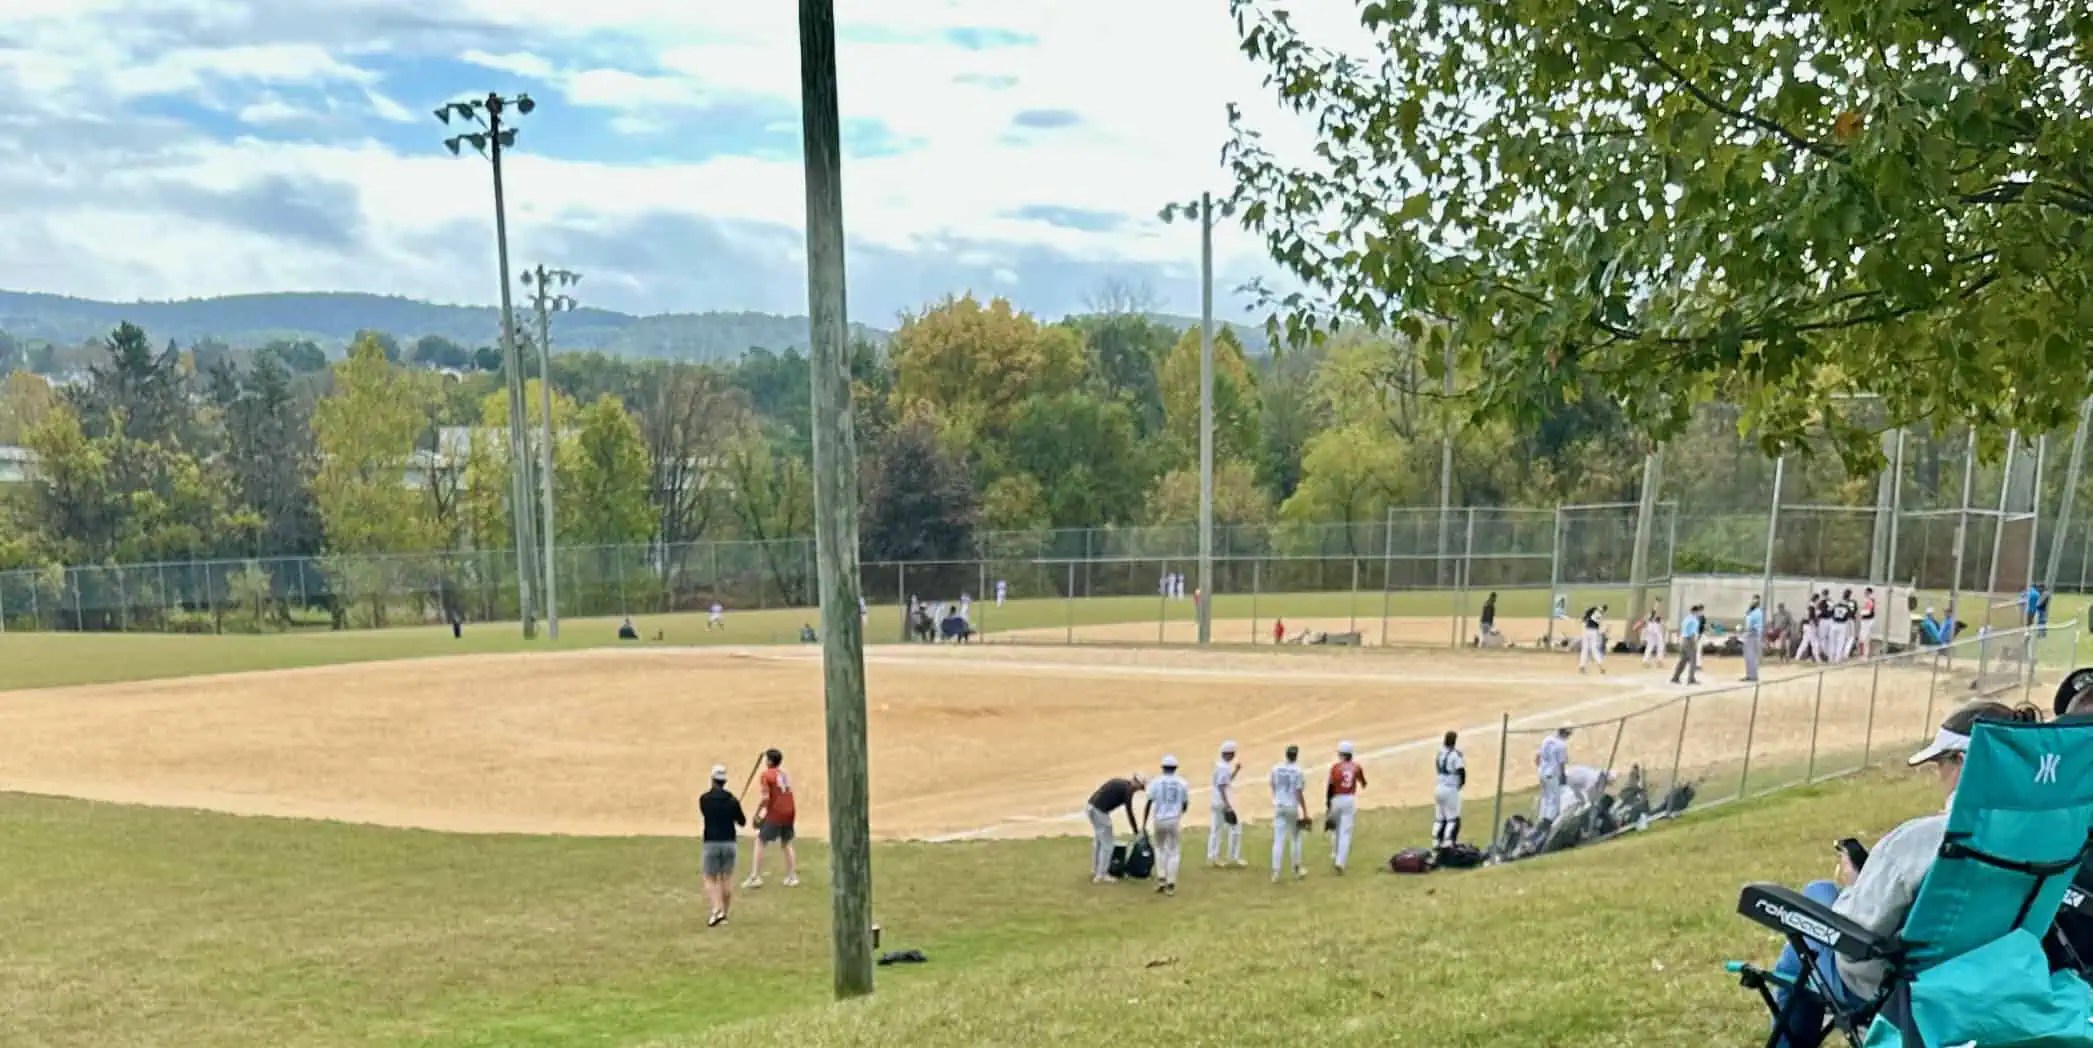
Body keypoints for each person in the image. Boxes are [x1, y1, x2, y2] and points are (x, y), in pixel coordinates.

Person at [1760, 701, 2039, 1047]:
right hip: (1989, 981)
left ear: (1962, 763)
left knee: (1812, 907)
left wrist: (1854, 886)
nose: (1938, 776)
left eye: (1940, 765)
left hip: (1899, 990)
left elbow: (1856, 931)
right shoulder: (2044, 839)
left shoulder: (1920, 840)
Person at [698, 765, 747, 927]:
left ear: (712, 780)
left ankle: (716, 909)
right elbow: (742, 821)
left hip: (711, 842)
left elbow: (707, 814)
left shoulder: (704, 799)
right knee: (726, 878)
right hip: (729, 842)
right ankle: (724, 914)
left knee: (710, 878)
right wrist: (734, 809)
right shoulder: (732, 801)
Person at [743, 748, 799, 889]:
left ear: (769, 761)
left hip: (777, 812)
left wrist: (758, 814)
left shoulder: (766, 775)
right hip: (790, 811)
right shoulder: (783, 775)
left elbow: (766, 798)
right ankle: (792, 876)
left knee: (760, 841)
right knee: (786, 842)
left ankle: (755, 876)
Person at [1085, 773, 1145, 884]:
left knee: (1099, 841)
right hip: (1100, 812)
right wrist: (1136, 830)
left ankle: (1095, 869)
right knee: (1107, 844)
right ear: (1135, 783)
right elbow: (1129, 811)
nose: (1137, 790)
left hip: (1090, 807)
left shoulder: (1120, 782)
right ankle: (1102, 875)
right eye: (1139, 787)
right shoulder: (1128, 790)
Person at [1144, 755, 1191, 895]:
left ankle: (1161, 879)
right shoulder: (1182, 783)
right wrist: (1179, 813)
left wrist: (1144, 821)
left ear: (1162, 768)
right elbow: (1185, 803)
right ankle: (1171, 883)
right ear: (1175, 768)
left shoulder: (1156, 782)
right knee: (1174, 851)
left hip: (1159, 820)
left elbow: (1149, 801)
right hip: (1174, 820)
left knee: (1159, 849)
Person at [1269, 744, 1309, 882]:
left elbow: (1272, 785)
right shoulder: (1298, 771)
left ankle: (1276, 872)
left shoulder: (1276, 768)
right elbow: (1298, 792)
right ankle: (1296, 869)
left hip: (1279, 806)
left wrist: (1276, 798)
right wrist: (1305, 811)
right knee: (1295, 839)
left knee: (1278, 840)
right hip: (1292, 806)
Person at [1326, 741, 1367, 874]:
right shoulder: (1356, 767)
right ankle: (1340, 862)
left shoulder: (1335, 768)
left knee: (1335, 829)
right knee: (1345, 832)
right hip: (1349, 798)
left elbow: (1330, 787)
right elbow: (1363, 782)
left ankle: (1334, 854)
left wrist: (1328, 804)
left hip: (1336, 798)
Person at [1208, 740, 1246, 868]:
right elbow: (1222, 787)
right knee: (1235, 829)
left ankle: (1213, 856)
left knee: (1216, 829)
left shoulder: (1219, 766)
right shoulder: (1223, 768)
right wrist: (1228, 805)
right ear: (1229, 754)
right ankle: (1232, 856)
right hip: (1222, 802)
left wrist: (1236, 771)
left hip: (1216, 801)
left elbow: (1227, 781)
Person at [1433, 731, 1466, 847]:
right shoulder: (1455, 755)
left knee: (1439, 818)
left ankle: (1436, 843)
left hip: (1438, 788)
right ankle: (1448, 844)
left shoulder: (1439, 753)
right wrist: (1461, 783)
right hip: (1450, 789)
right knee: (1452, 819)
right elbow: (1461, 770)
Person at [1535, 727, 1571, 825]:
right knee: (1554, 800)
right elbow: (1561, 763)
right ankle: (1548, 822)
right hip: (1552, 775)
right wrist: (1563, 776)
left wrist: (1540, 769)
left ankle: (1541, 820)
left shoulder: (1547, 740)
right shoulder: (1561, 745)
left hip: (1542, 774)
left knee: (1545, 798)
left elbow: (1538, 757)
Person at [1671, 603, 1704, 685]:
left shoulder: (1686, 618)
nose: (1700, 613)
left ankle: (1675, 677)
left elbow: (1682, 630)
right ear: (1696, 611)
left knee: (1682, 660)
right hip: (1690, 640)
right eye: (1700, 612)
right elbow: (1692, 633)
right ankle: (1691, 679)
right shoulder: (1694, 620)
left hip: (1683, 640)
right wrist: (1694, 643)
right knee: (1693, 661)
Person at [1742, 595, 1766, 682]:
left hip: (1753, 634)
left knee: (1751, 656)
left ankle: (1753, 676)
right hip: (1749, 634)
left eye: (1755, 600)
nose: (1753, 602)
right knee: (1748, 656)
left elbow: (1755, 626)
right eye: (1753, 600)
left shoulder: (1758, 612)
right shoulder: (1751, 612)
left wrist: (1750, 631)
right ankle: (1749, 674)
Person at [1578, 604, 1607, 674]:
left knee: (1585, 649)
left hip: (1587, 631)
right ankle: (1601, 667)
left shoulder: (1594, 610)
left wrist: (1582, 619)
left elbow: (1587, 615)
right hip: (1594, 632)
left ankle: (1582, 667)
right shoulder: (1601, 615)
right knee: (1594, 649)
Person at [1858, 587, 1877, 658]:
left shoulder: (1870, 600)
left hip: (1868, 621)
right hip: (1864, 621)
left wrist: (1862, 613)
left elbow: (1869, 611)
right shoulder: (1866, 600)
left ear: (1869, 593)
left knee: (1866, 638)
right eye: (1865, 592)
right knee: (1861, 638)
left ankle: (1865, 655)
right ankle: (1863, 654)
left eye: (1866, 592)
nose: (1864, 593)